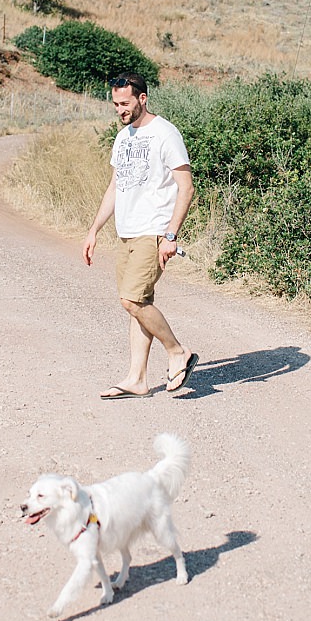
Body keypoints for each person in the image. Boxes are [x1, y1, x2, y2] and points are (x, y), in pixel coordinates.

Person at [82, 72, 198, 399]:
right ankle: (137, 378)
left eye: (125, 103)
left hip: (154, 232)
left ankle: (177, 351)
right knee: (139, 304)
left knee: (131, 299)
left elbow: (186, 188)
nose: (119, 109)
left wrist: (171, 235)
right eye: (115, 104)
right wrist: (94, 230)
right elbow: (115, 188)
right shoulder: (124, 137)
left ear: (142, 99)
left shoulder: (165, 134)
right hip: (127, 233)